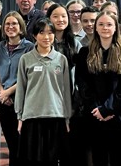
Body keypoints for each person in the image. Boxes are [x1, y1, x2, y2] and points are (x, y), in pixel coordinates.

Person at [75, 13, 121, 166]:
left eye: (109, 24)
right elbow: (83, 84)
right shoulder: (85, 53)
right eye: (101, 24)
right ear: (95, 27)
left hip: (118, 116)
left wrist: (108, 109)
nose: (105, 28)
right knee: (98, 157)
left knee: (118, 158)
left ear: (116, 27)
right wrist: (97, 109)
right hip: (94, 116)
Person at [15, 19, 72, 166]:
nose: (46, 37)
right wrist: (20, 116)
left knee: (53, 159)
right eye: (42, 33)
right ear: (34, 35)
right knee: (32, 159)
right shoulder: (25, 59)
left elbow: (66, 90)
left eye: (50, 33)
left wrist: (67, 118)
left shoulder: (61, 59)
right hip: (32, 116)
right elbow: (21, 88)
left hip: (56, 116)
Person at [0, 11, 34, 166]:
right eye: (7, 24)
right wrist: (2, 93)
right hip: (4, 101)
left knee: (22, 144)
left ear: (21, 27)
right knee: (11, 143)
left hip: (22, 101)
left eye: (14, 23)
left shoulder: (29, 48)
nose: (10, 27)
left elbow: (28, 76)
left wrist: (9, 92)